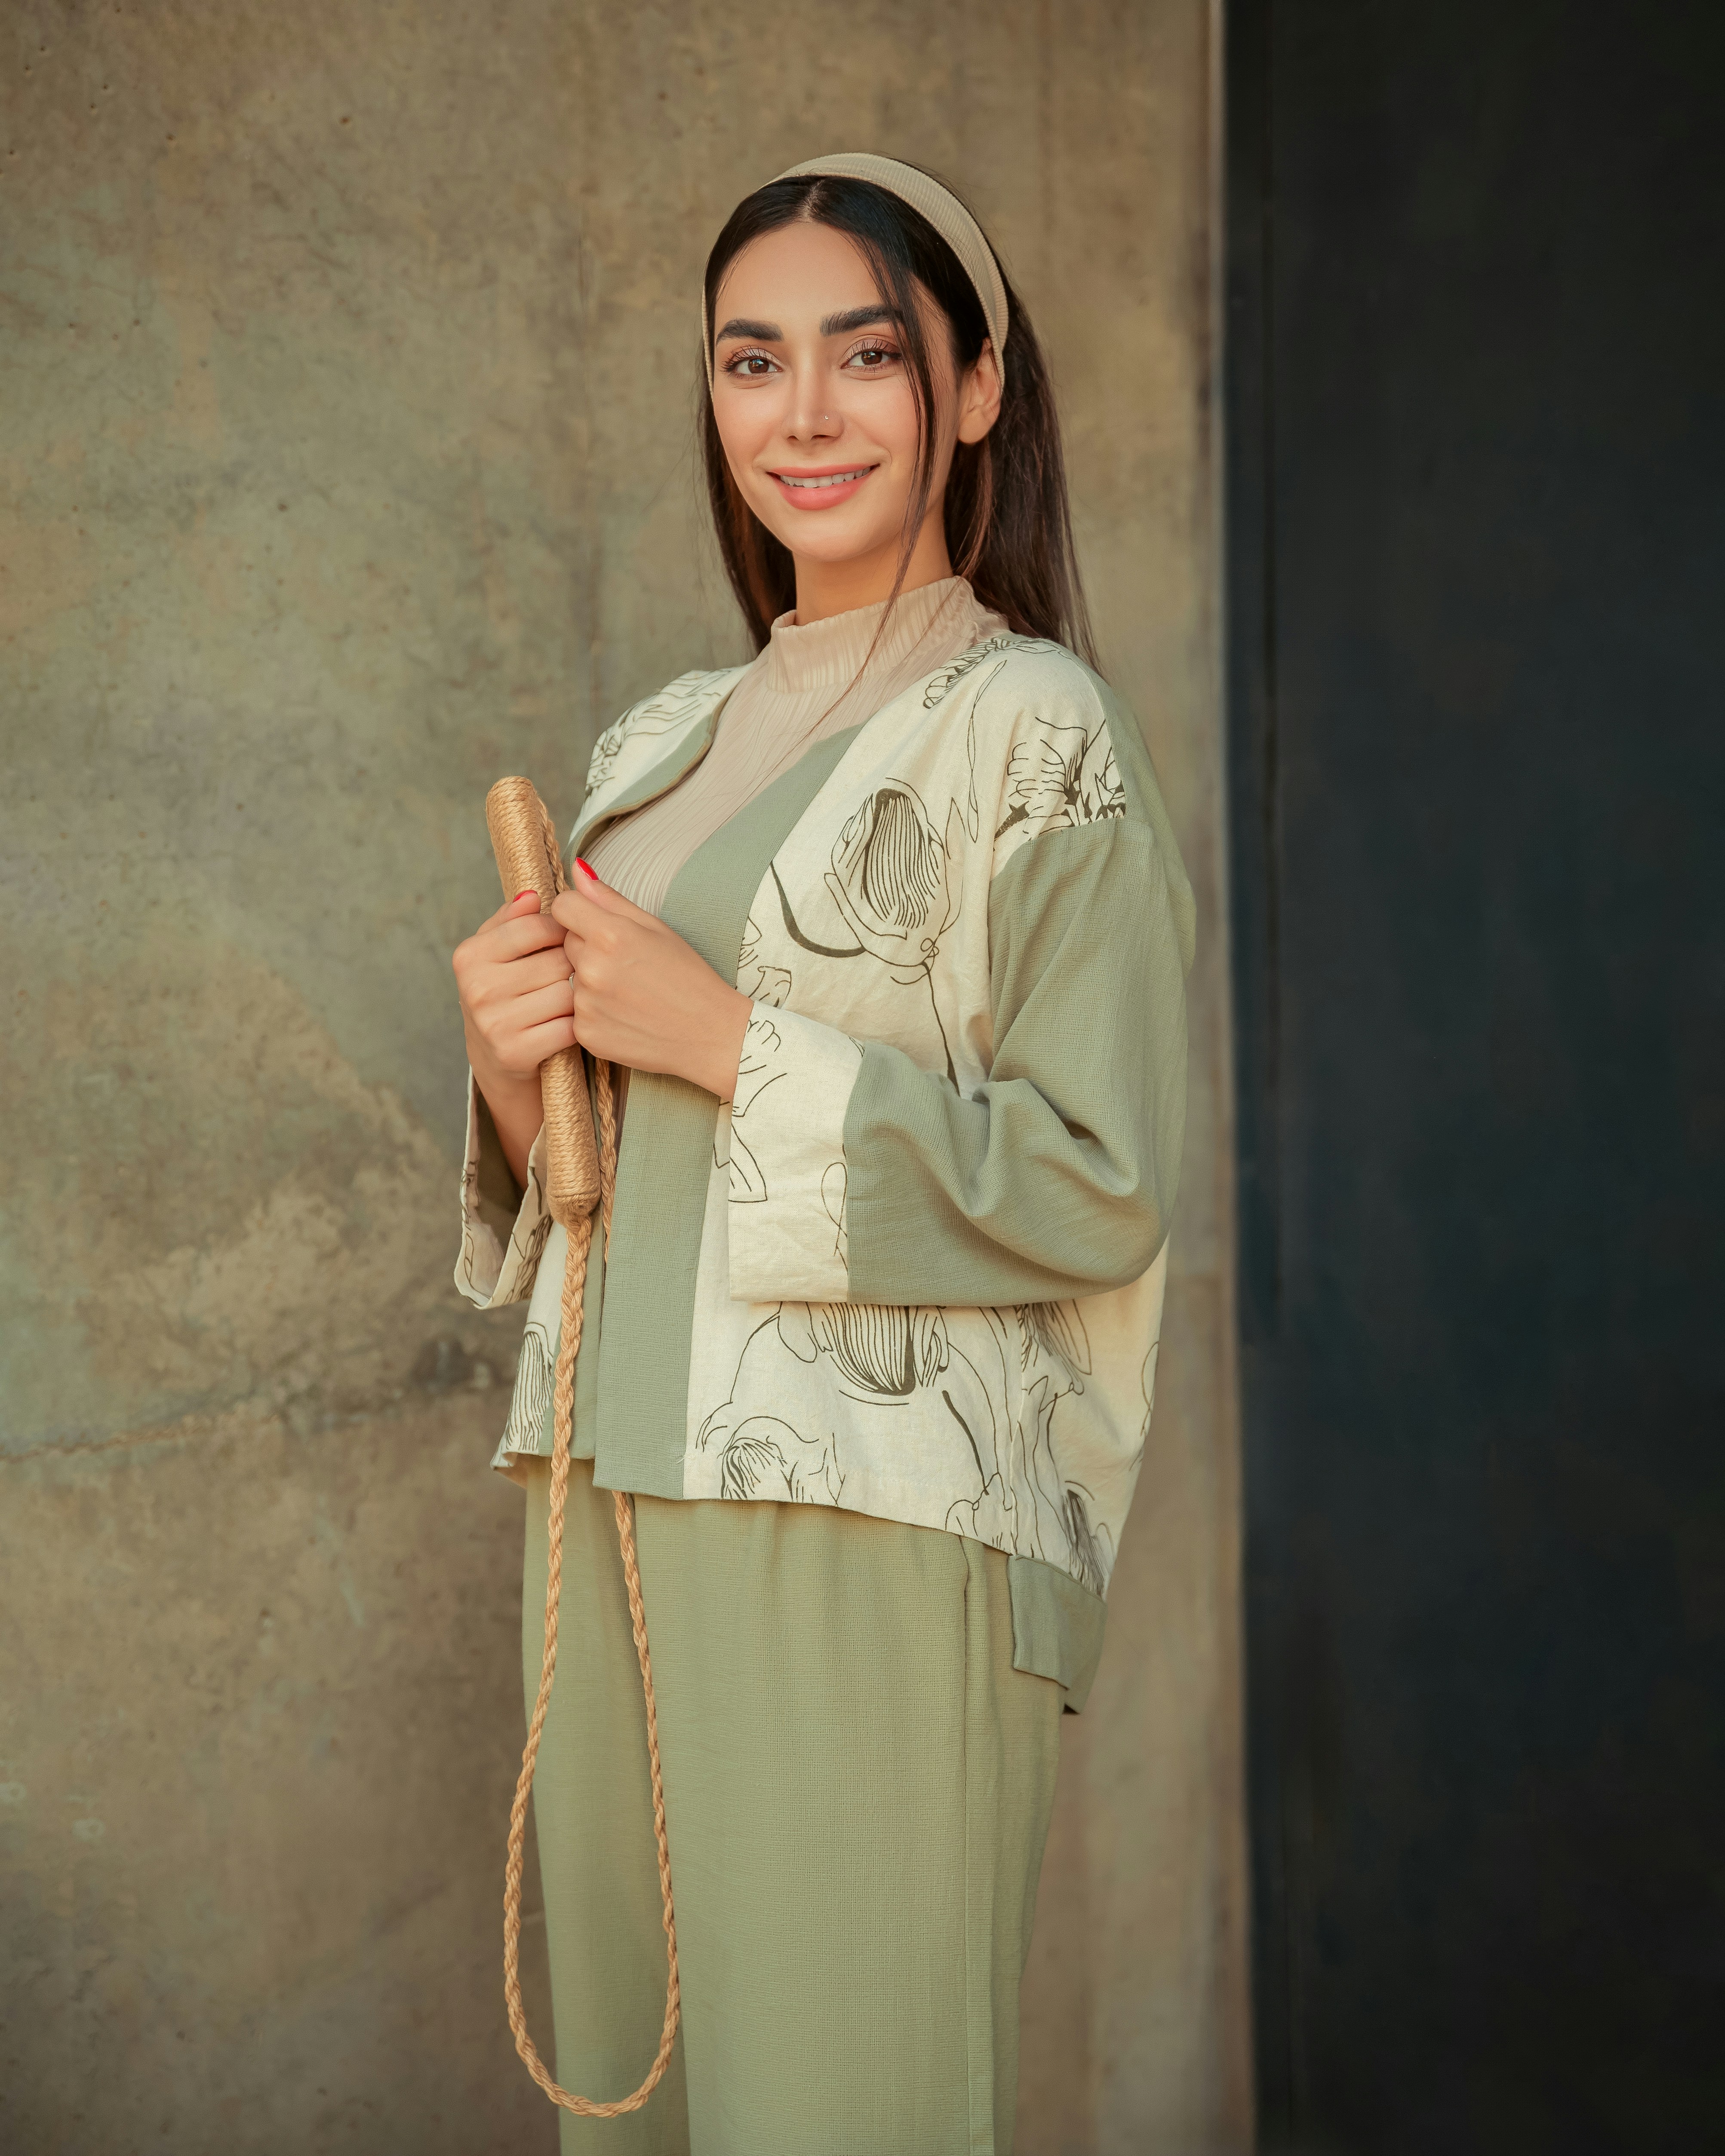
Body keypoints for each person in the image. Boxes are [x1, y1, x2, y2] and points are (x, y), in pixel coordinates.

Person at [451, 152, 1194, 2156]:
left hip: (863, 1521)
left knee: (836, 2120)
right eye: (750, 360)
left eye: (864, 356)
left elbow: (1099, 1176)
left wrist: (728, 1042)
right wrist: (522, 1084)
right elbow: (600, 1175)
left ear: (971, 389)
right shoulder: (656, 745)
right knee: (637, 2101)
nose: (802, 413)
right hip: (606, 1493)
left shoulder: (1032, 728)